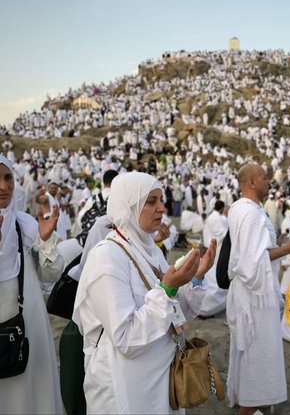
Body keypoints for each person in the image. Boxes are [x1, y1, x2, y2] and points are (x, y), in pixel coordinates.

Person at [72, 172, 217, 414]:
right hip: (123, 384)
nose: (162, 208)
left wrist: (196, 277)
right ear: (129, 206)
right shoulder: (106, 257)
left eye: (161, 200)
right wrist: (168, 287)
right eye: (151, 201)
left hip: (159, 377)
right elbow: (125, 337)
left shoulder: (150, 250)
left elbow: (174, 310)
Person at [226, 163, 290, 415]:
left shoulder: (242, 209)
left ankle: (250, 403)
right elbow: (251, 263)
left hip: (250, 296)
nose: (268, 181)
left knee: (252, 358)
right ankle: (249, 407)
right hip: (255, 300)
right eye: (264, 177)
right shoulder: (250, 213)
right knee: (257, 361)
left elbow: (255, 251)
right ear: (251, 182)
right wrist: (287, 249)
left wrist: (277, 244)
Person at [0, 156, 65, 414]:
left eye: (7, 179)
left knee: (29, 392)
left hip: (27, 326)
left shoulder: (26, 225)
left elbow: (51, 275)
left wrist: (46, 240)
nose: (3, 186)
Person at [198, 200, 229, 317]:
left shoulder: (215, 216)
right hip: (214, 244)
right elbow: (220, 232)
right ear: (221, 208)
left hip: (211, 243)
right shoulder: (216, 218)